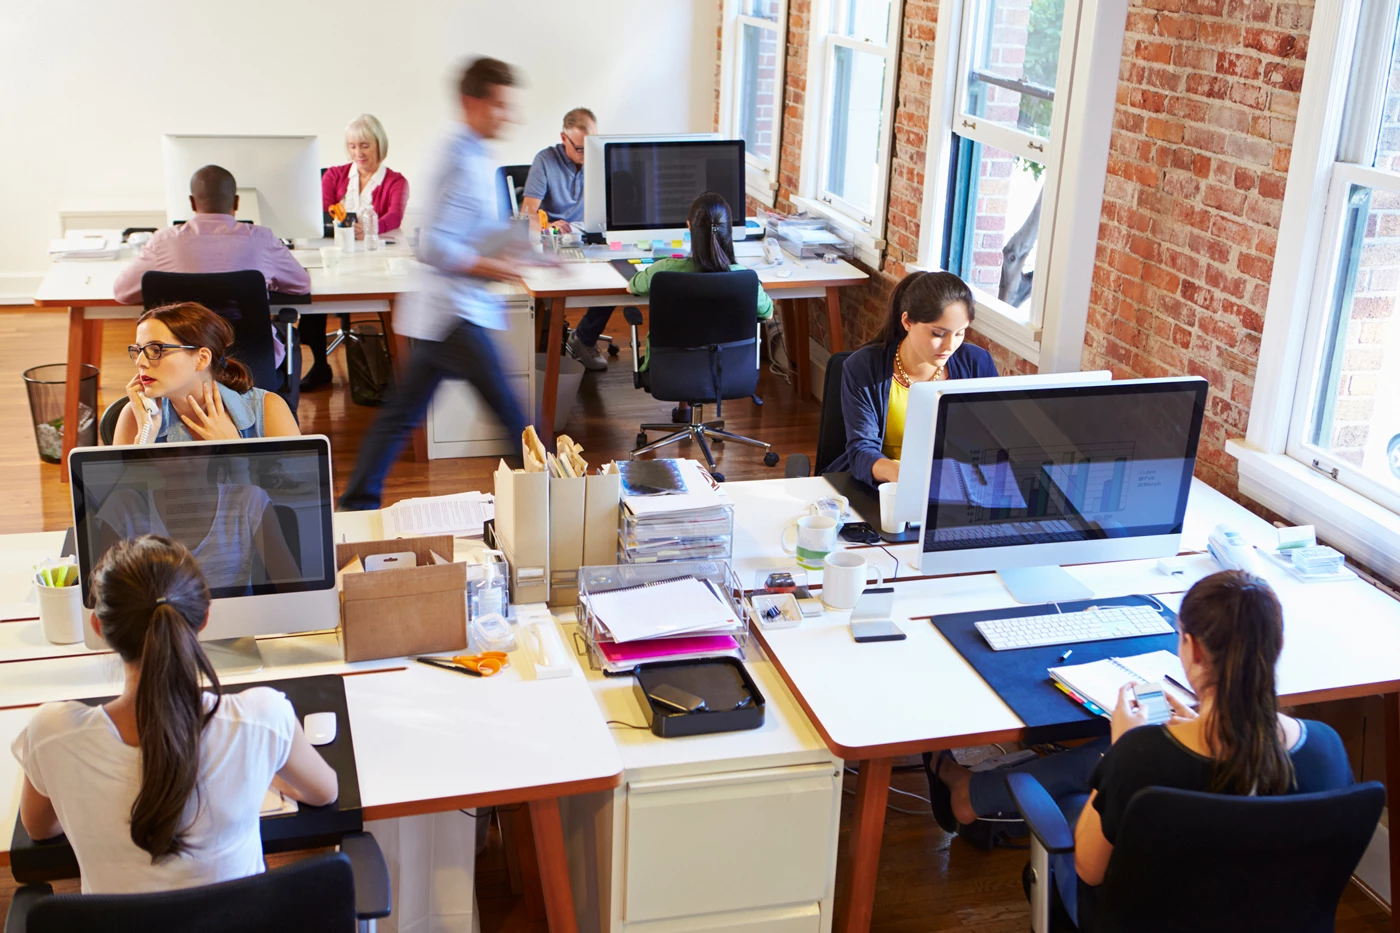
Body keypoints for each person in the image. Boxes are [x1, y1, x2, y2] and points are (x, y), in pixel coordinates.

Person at [930, 571, 1353, 928]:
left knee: (1079, 799)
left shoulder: (1142, 757)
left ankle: (969, 793)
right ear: (1275, 648)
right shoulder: (1327, 748)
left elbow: (1089, 870)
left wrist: (1120, 750)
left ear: (1193, 649)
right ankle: (972, 793)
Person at [12, 535, 337, 893]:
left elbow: (39, 828)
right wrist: (265, 771)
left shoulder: (51, 733)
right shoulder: (262, 718)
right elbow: (324, 792)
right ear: (204, 618)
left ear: (100, 628)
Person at [338, 57, 535, 511]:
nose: (510, 116)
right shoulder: (453, 157)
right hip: (453, 312)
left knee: (402, 414)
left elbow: (475, 231)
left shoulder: (477, 156)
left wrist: (525, 253)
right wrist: (486, 266)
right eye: (501, 105)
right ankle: (546, 505)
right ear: (473, 102)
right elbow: (426, 241)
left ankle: (356, 502)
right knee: (515, 419)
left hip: (449, 312)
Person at [825, 271, 997, 486]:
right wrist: (899, 473)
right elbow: (861, 452)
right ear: (907, 321)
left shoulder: (977, 363)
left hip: (955, 486)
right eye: (939, 334)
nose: (950, 346)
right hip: (885, 487)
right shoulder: (863, 368)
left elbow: (992, 440)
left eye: (960, 333)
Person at [627, 191, 774, 424]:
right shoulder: (744, 279)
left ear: (689, 227)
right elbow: (767, 311)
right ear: (729, 230)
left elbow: (633, 286)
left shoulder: (665, 271)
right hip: (730, 372)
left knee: (687, 349)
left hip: (669, 372)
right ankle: (687, 410)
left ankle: (686, 408)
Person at [303, 115, 411, 392]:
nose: (358, 153)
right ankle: (318, 366)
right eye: (352, 146)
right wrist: (349, 226)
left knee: (393, 298)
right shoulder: (334, 175)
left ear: (379, 145)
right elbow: (321, 212)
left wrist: (371, 228)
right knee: (312, 292)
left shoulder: (396, 181)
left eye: (364, 146)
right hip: (337, 252)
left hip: (374, 256)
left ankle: (392, 370)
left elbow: (394, 217)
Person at [113, 165, 311, 308]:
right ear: (236, 202)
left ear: (192, 203)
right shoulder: (262, 239)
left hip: (183, 356)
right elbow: (301, 284)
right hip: (249, 358)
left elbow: (123, 293)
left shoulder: (164, 240)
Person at [113, 302, 301, 445]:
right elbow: (119, 496)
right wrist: (144, 441)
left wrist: (235, 450)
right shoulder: (135, 416)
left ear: (202, 358)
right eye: (138, 350)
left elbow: (300, 492)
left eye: (156, 350)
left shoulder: (268, 409)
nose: (140, 362)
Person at [521, 107, 613, 372]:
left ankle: (584, 339)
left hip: (588, 238)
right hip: (552, 241)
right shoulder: (545, 161)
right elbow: (527, 214)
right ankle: (542, 351)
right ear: (564, 139)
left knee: (619, 276)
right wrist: (548, 225)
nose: (587, 154)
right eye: (580, 148)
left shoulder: (601, 159)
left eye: (592, 145)